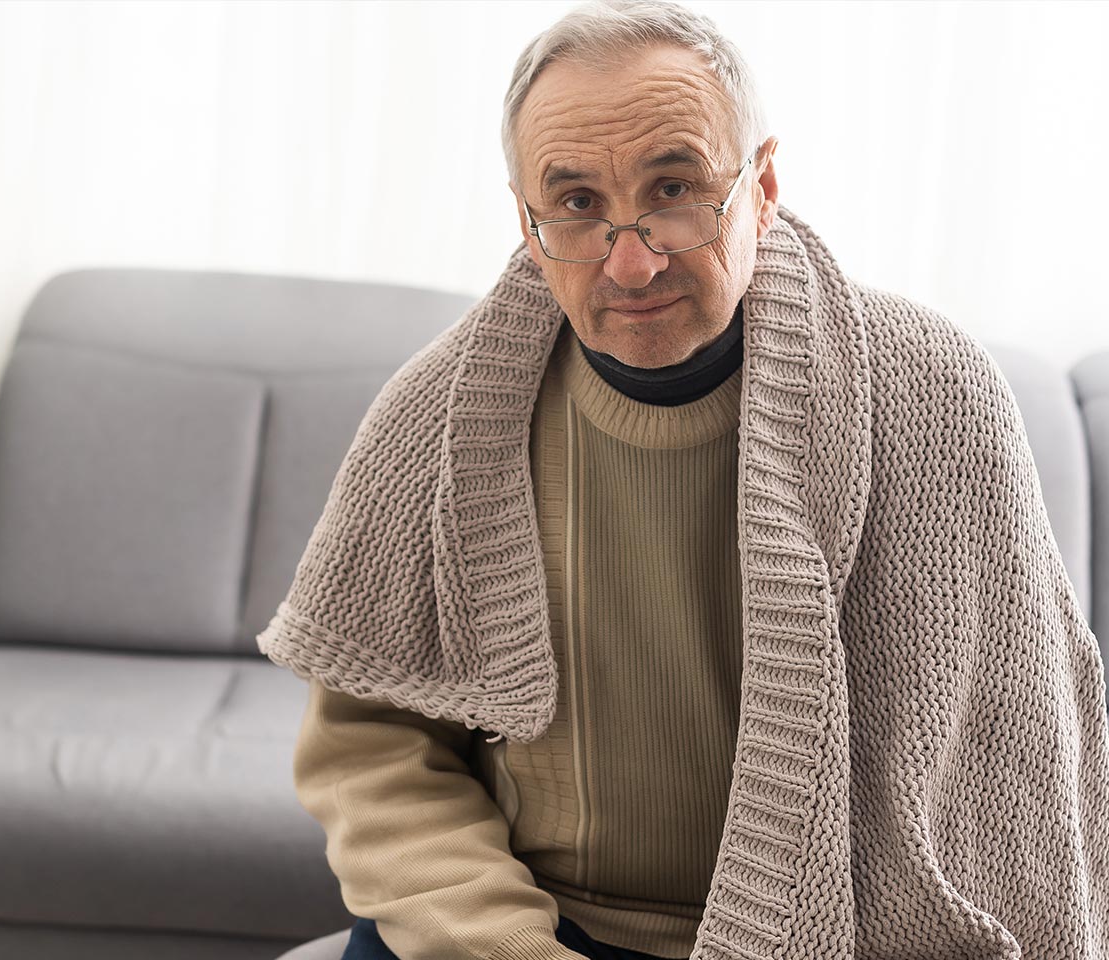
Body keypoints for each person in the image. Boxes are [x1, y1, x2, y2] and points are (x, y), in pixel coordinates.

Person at [257, 2, 1109, 959]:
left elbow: (1016, 761)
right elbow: (373, 751)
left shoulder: (937, 393)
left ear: (764, 184)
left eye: (674, 189)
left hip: (832, 933)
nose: (632, 259)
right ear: (528, 223)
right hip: (530, 924)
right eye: (577, 202)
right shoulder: (435, 417)